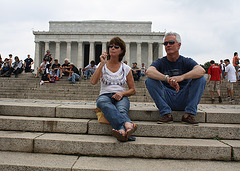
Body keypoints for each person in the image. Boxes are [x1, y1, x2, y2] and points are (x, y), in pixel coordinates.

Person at [145, 32, 206, 125]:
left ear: (179, 45)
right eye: (165, 43)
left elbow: (201, 71)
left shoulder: (186, 61)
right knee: (149, 80)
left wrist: (181, 77)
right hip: (167, 97)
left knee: (201, 79)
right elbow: (149, 71)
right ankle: (166, 113)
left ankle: (188, 114)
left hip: (183, 96)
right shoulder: (161, 62)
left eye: (171, 42)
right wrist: (167, 78)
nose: (168, 45)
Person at [90, 37, 137, 142]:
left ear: (122, 51)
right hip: (105, 95)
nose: (112, 48)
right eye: (110, 46)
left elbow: (132, 90)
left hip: (121, 96)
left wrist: (122, 93)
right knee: (104, 103)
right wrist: (102, 64)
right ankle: (127, 126)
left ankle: (121, 131)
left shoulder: (126, 68)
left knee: (121, 110)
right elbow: (93, 82)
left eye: (116, 47)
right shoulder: (101, 66)